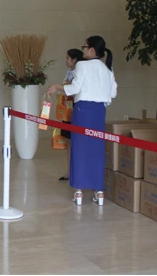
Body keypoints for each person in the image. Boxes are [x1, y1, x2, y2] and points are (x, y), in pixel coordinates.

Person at [47, 36, 117, 206]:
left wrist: (56, 87)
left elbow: (75, 88)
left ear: (91, 50)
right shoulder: (107, 68)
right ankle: (99, 192)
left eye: (84, 47)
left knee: (79, 149)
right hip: (99, 111)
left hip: (83, 110)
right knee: (96, 150)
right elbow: (113, 93)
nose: (83, 50)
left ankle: (78, 191)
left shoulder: (82, 65)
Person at [58, 48, 84, 182]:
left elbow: (76, 89)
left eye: (68, 58)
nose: (66, 61)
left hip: (77, 107)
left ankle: (78, 171)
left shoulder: (81, 72)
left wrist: (69, 86)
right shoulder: (69, 73)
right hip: (67, 108)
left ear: (75, 60)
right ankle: (69, 171)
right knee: (68, 141)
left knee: (78, 141)